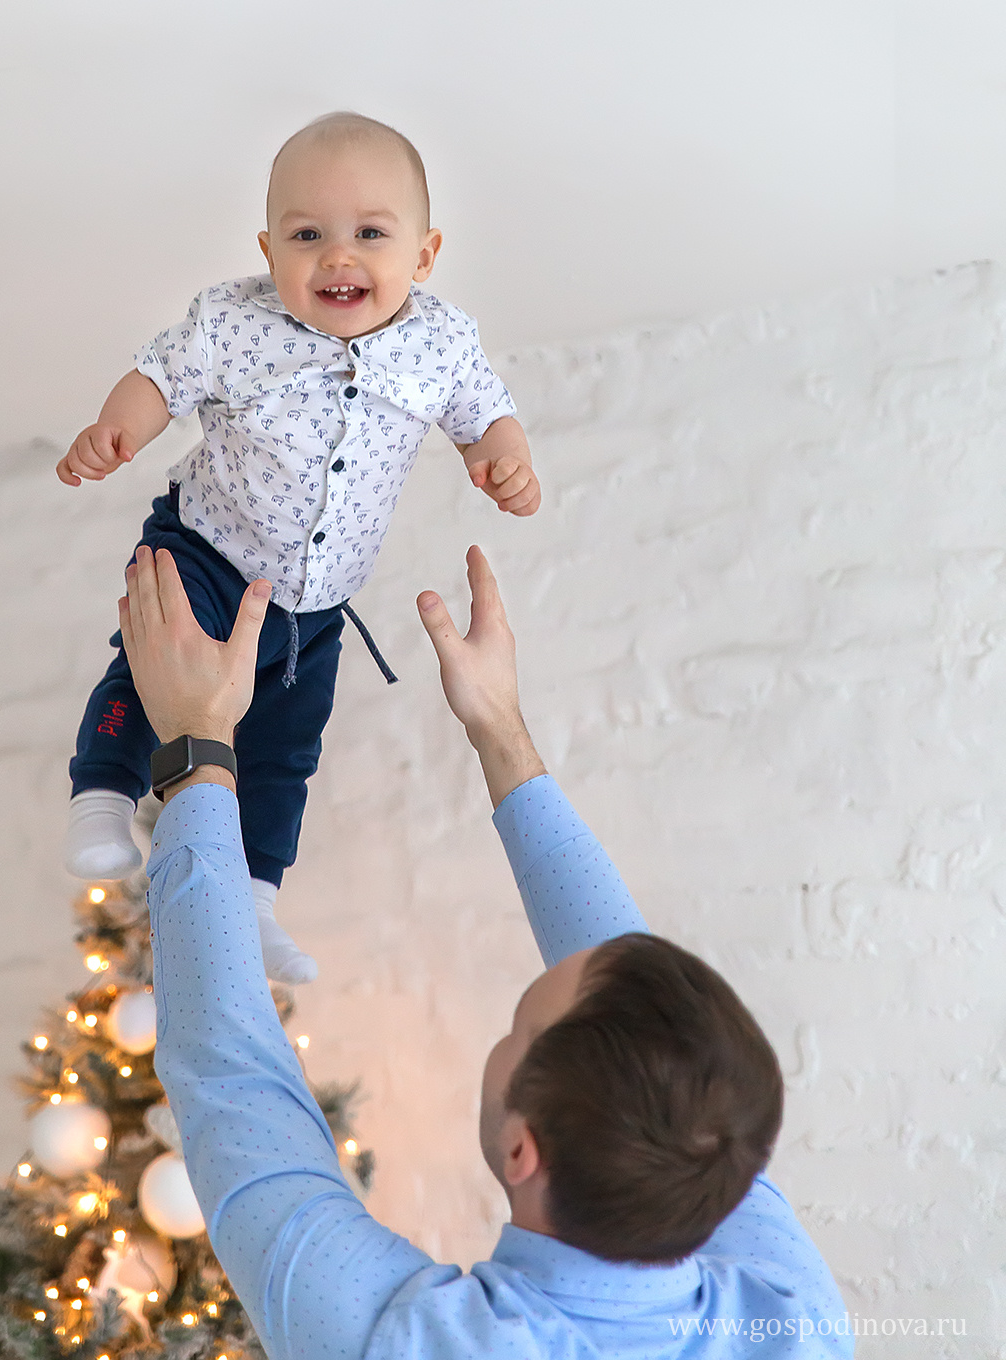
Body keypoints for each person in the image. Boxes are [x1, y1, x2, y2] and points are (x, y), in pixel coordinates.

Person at [121, 540, 853, 1360]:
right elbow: (629, 986)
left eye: (517, 1026)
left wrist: (195, 737)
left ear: (521, 1148)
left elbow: (229, 1065)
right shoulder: (792, 1320)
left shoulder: (411, 1342)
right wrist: (499, 727)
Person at [57, 111, 540, 984]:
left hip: (316, 602)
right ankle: (101, 794)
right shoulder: (234, 323)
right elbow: (160, 378)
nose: (337, 256)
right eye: (307, 235)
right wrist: (115, 429)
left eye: (370, 234)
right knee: (149, 667)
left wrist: (504, 458)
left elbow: (483, 415)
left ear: (424, 256)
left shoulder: (441, 342)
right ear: (269, 249)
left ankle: (256, 898)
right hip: (207, 549)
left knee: (285, 748)